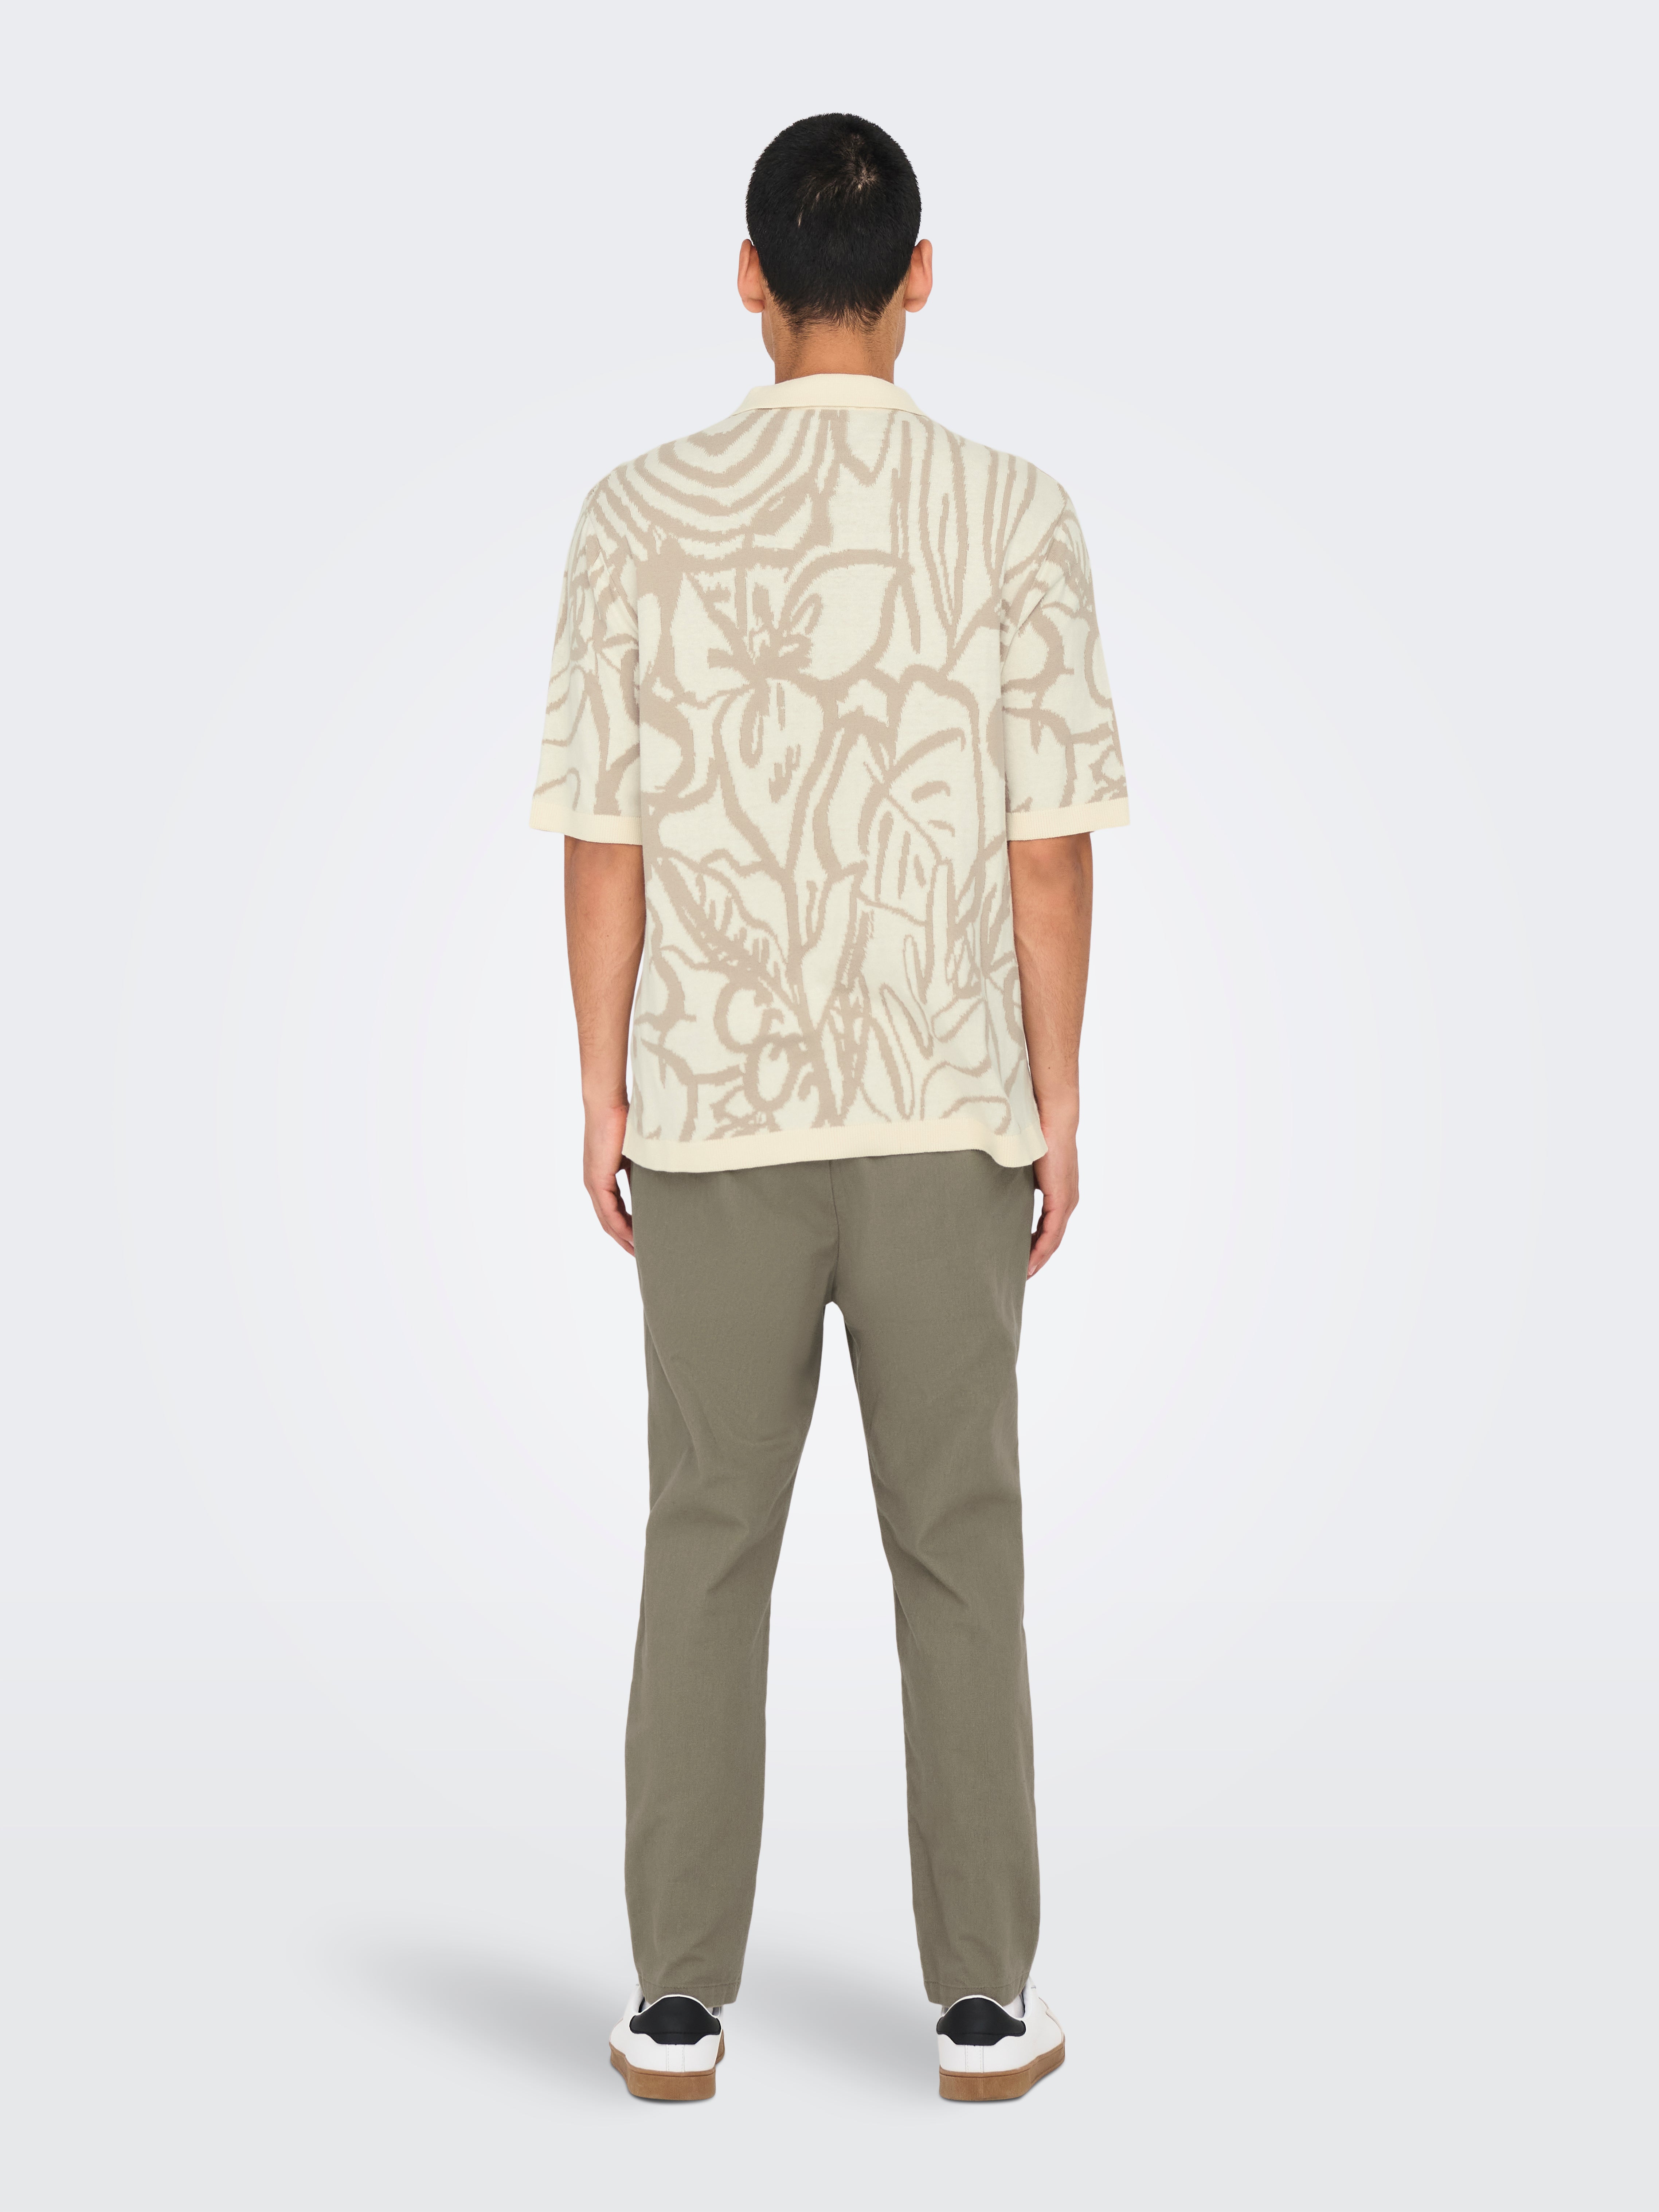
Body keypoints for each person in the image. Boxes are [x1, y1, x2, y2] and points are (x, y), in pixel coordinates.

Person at [532, 112, 1128, 2103]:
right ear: (922, 278)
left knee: (706, 1535)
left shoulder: (636, 514)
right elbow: (1050, 842)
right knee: (959, 1538)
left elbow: (603, 835)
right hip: (944, 1107)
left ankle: (676, 2005)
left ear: (750, 277)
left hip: (716, 1116)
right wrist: (1058, 1091)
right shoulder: (1015, 513)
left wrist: (602, 1083)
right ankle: (984, 2006)